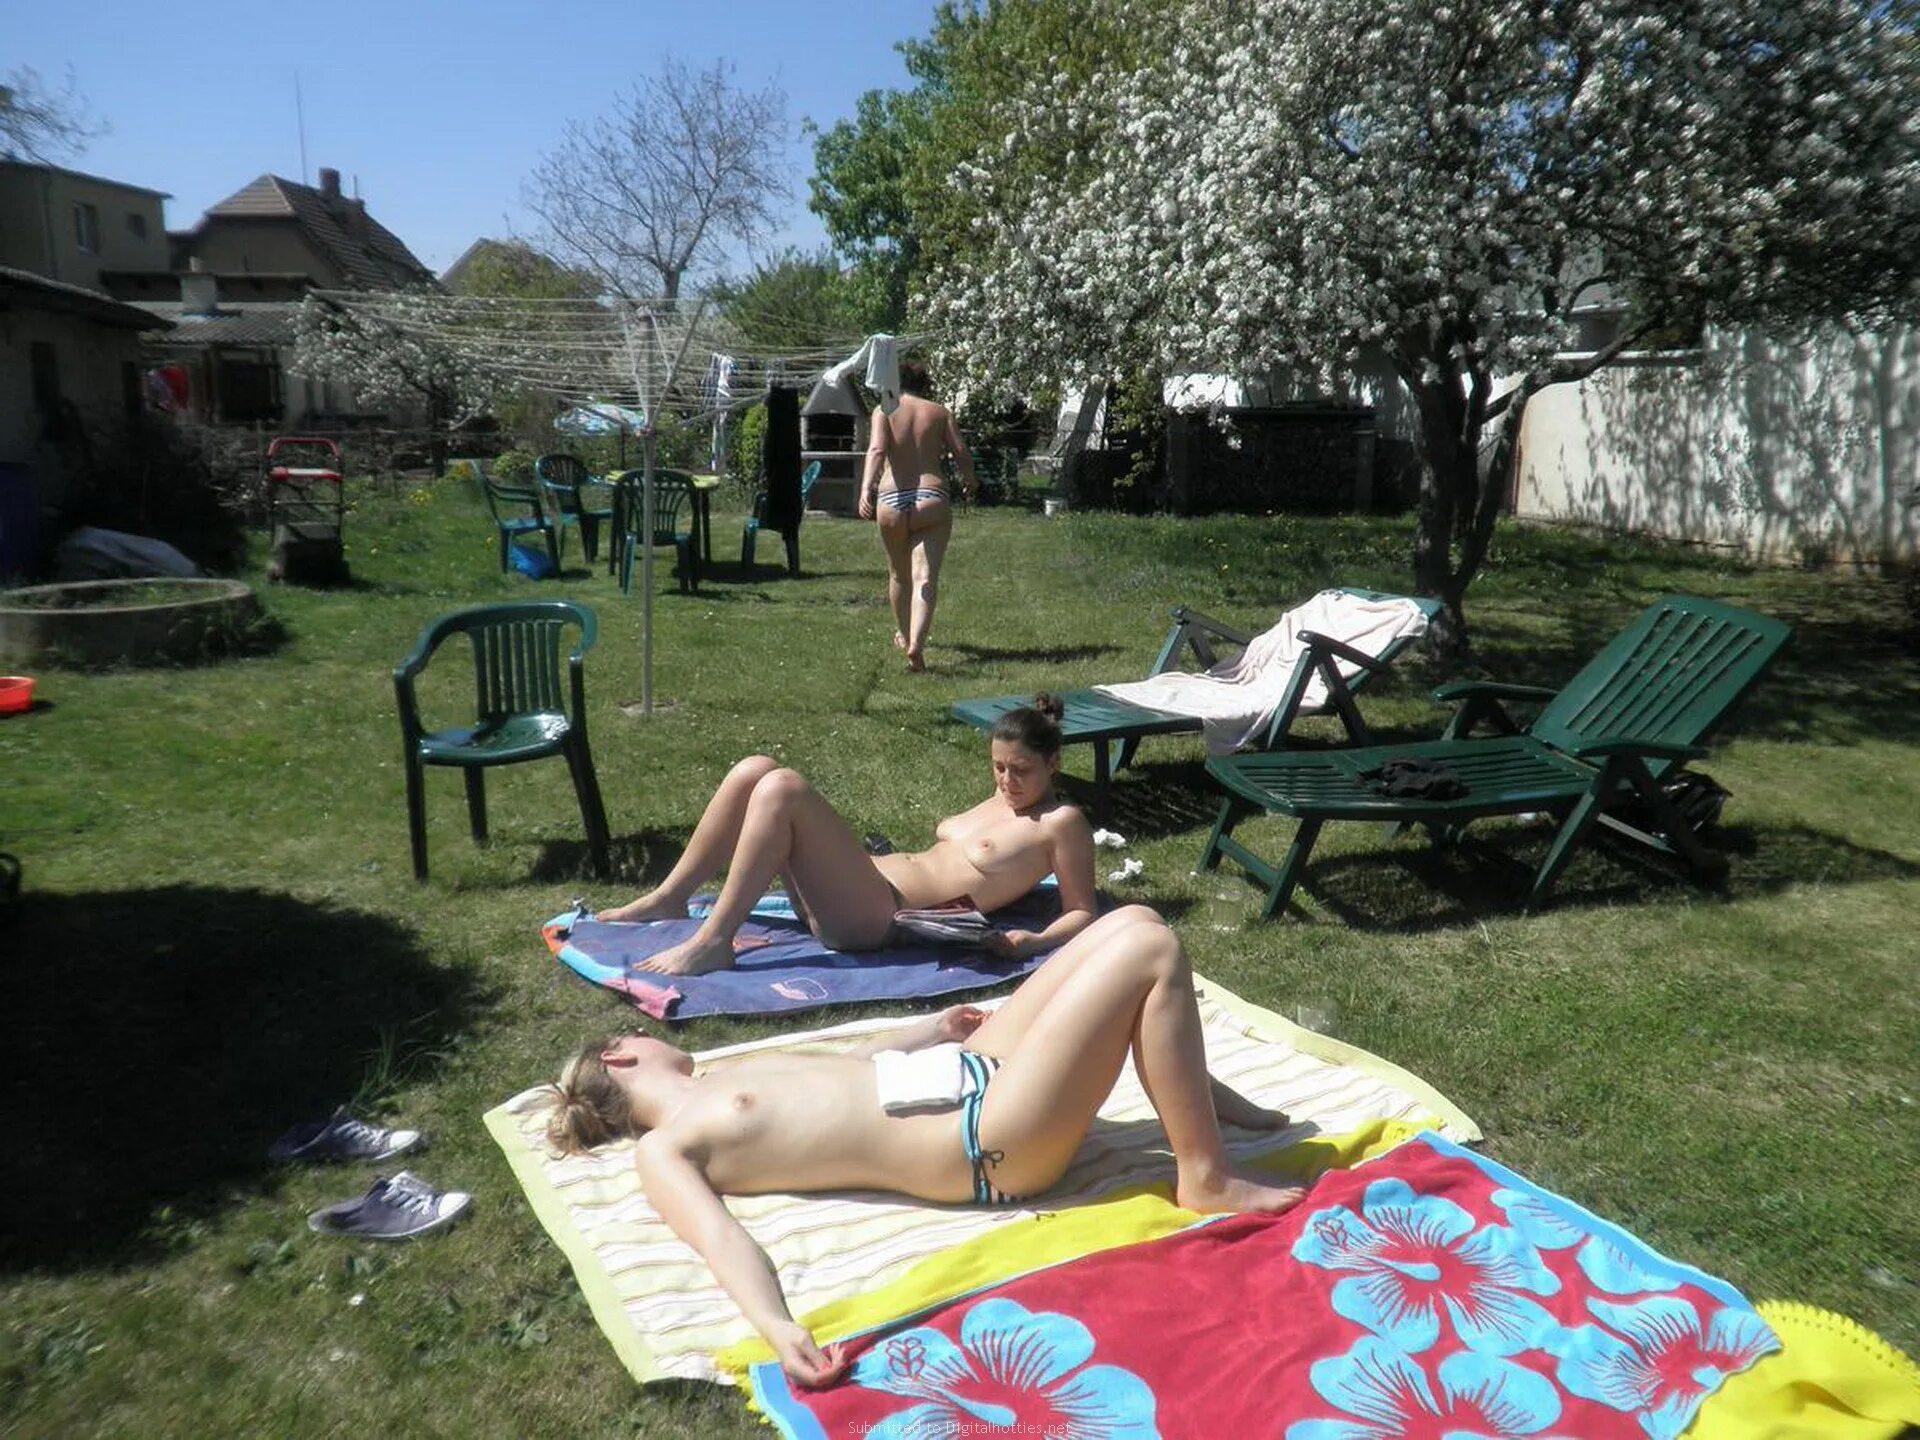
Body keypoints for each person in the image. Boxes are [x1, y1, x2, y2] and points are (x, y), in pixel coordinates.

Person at [545, 904, 1303, 1388]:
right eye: (634, 1033)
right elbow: (717, 1238)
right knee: (1153, 953)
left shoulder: (722, 1077)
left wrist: (928, 1030)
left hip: (969, 1073)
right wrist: (777, 1327)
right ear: (620, 1056)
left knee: (1131, 918)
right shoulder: (665, 1148)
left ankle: (1194, 1093)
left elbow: (845, 1073)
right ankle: (1203, 1174)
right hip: (987, 1137)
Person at [597, 696, 1094, 976]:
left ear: (1054, 764)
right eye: (998, 767)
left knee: (784, 789)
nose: (1006, 780)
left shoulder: (1060, 823)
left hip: (880, 917)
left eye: (1020, 770)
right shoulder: (1001, 801)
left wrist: (1035, 942)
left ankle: (714, 940)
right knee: (756, 769)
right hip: (853, 890)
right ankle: (670, 897)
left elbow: (1081, 910)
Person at [857, 359, 978, 672]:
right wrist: (970, 480)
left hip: (891, 498)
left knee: (899, 575)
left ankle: (904, 633)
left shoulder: (884, 410)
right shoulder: (939, 412)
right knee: (925, 576)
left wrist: (866, 489)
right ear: (925, 384)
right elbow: (961, 452)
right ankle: (917, 646)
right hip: (930, 496)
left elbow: (877, 451)